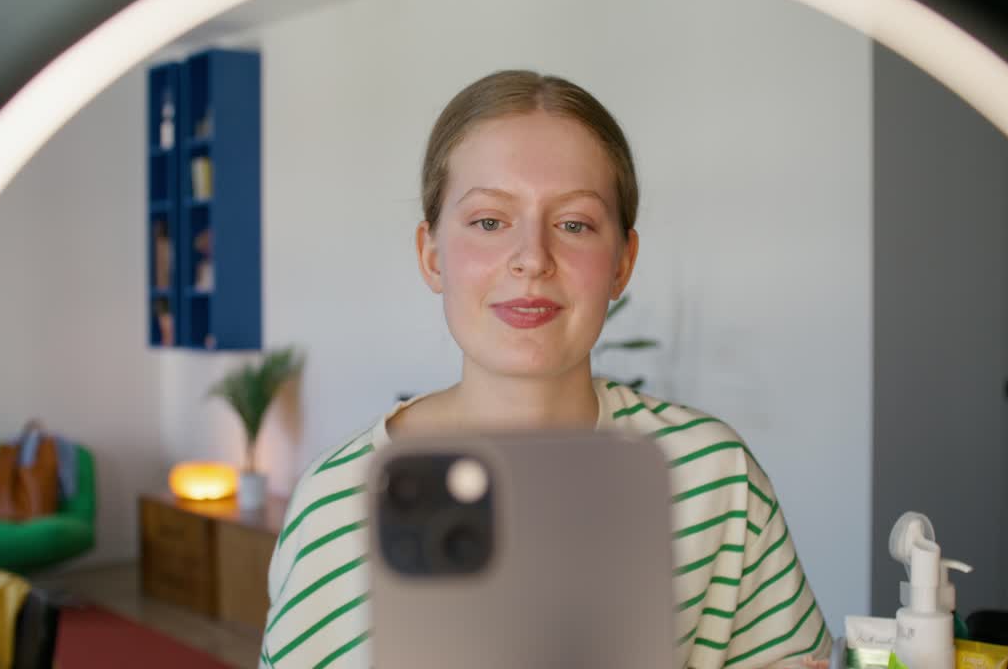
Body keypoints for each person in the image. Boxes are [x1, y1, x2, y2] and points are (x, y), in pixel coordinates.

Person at [261, 70, 830, 668]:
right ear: (432, 256)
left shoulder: (718, 480)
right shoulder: (336, 502)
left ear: (622, 263)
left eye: (575, 224)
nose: (532, 258)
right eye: (489, 221)